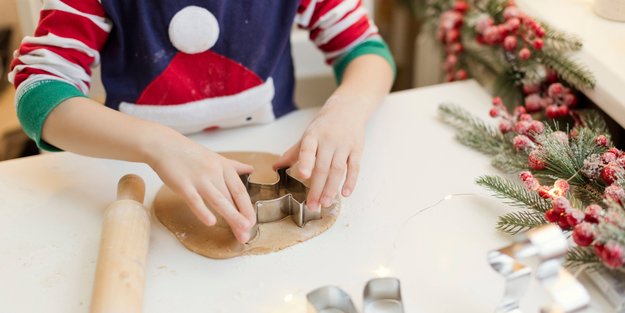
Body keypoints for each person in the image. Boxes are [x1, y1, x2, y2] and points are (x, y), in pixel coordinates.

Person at [9, 0, 395, 243]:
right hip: (131, 158)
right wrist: (159, 145)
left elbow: (366, 49)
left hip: (268, 138)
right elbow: (38, 91)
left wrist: (346, 111)